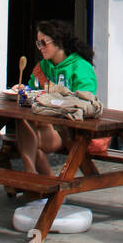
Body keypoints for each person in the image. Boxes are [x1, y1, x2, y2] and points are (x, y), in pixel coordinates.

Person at [14, 20, 98, 177]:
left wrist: (56, 93)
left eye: (44, 43)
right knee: (23, 121)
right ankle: (36, 180)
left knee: (26, 139)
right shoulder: (43, 66)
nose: (40, 48)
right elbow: (34, 89)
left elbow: (86, 99)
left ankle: (31, 178)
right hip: (47, 123)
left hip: (70, 128)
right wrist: (24, 90)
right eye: (38, 43)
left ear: (59, 42)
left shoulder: (80, 67)